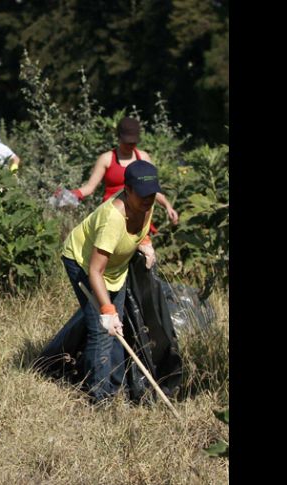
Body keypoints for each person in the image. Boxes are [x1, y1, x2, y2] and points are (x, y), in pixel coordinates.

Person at [61, 160, 160, 403]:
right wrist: (106, 310)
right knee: (101, 328)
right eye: (143, 195)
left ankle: (116, 386)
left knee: (120, 326)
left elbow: (142, 226)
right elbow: (95, 271)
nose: (149, 200)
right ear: (127, 190)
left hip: (116, 269)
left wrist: (144, 243)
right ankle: (100, 397)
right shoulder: (112, 219)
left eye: (152, 194)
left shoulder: (147, 202)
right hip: (84, 265)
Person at [69, 117, 178, 228]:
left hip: (137, 216)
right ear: (119, 138)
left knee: (145, 245)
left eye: (133, 142)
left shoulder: (143, 157)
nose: (130, 146)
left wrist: (168, 206)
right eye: (127, 142)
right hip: (113, 214)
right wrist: (70, 195)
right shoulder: (106, 158)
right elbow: (89, 187)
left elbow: (152, 188)